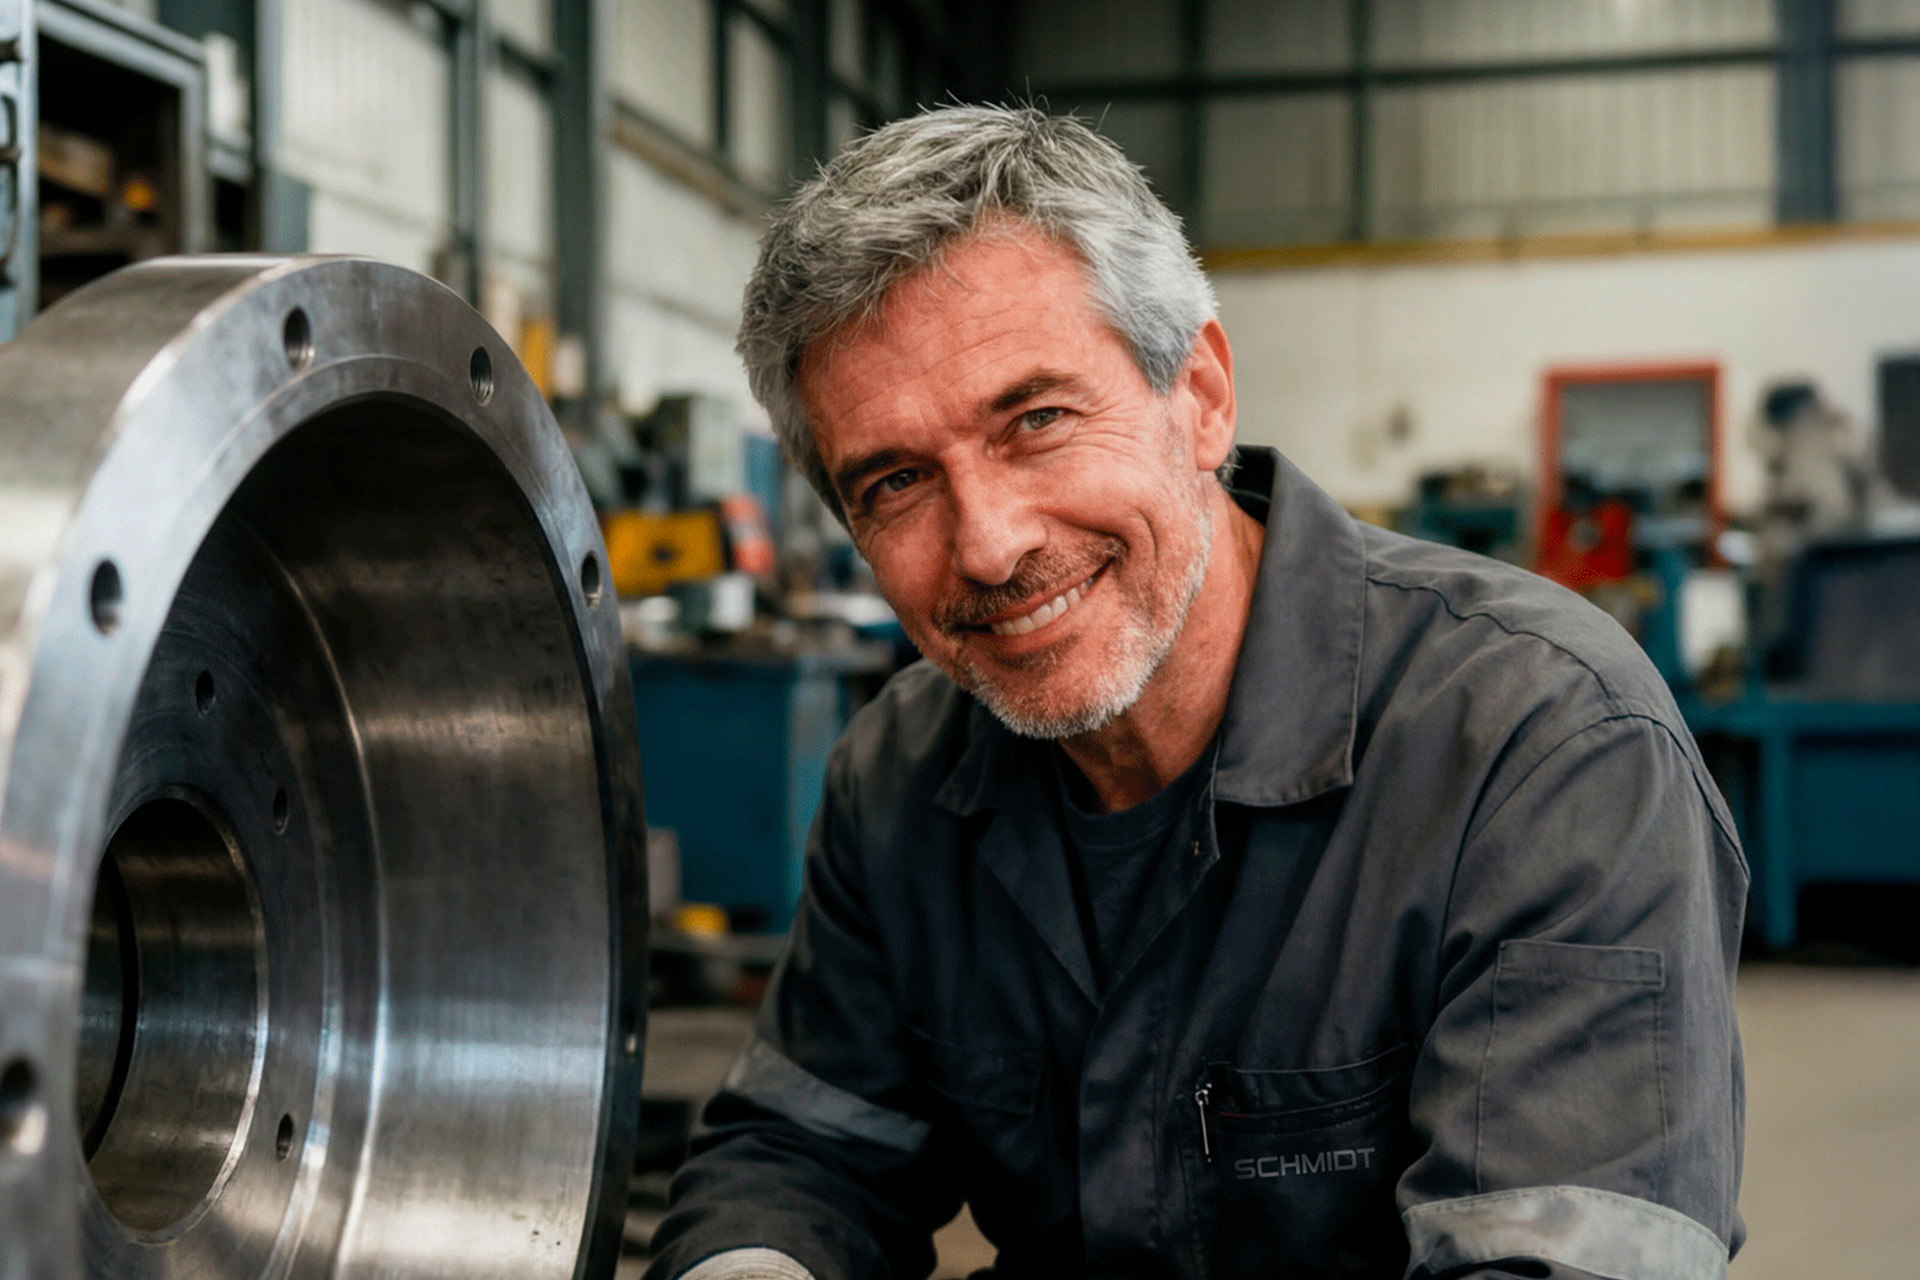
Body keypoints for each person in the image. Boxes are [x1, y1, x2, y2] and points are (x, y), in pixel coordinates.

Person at [646, 104, 1746, 1280]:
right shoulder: (901, 776)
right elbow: (805, 1150)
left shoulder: (1542, 746)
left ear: (1204, 395)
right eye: (898, 481)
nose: (987, 544)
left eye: (1038, 420)